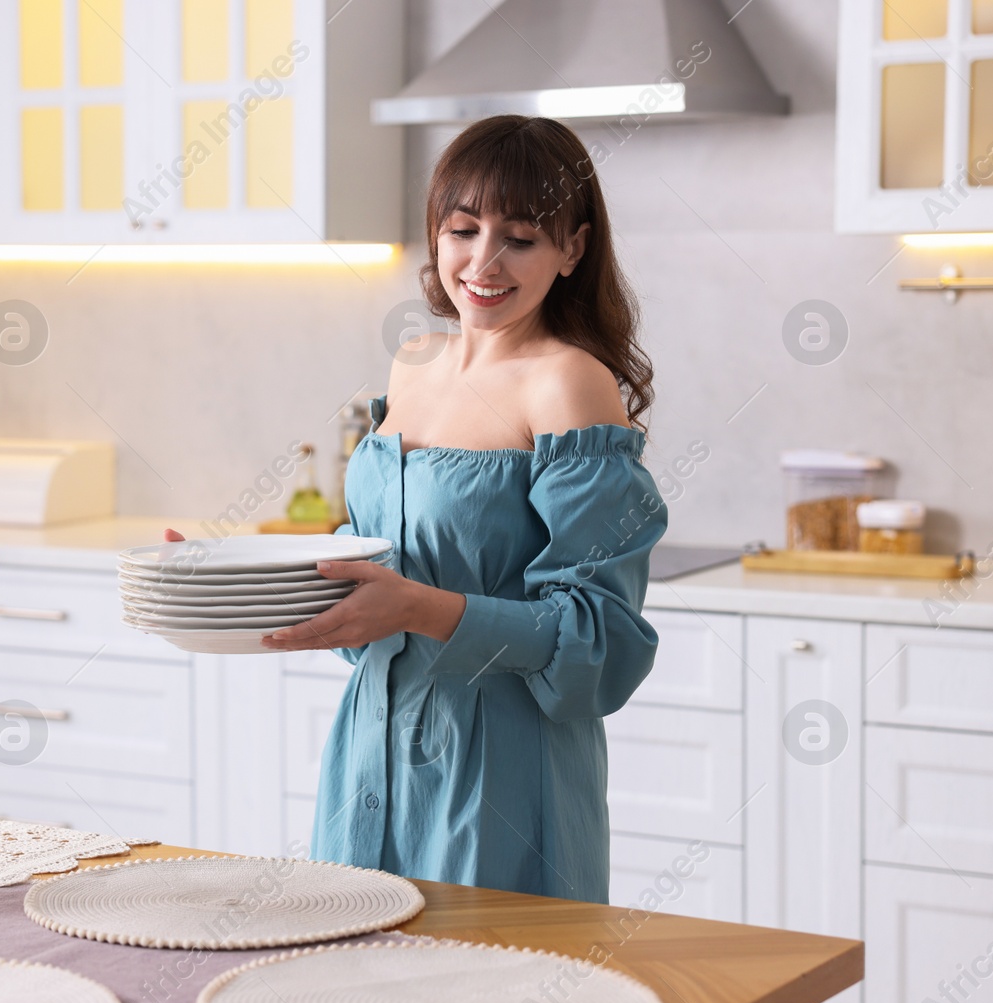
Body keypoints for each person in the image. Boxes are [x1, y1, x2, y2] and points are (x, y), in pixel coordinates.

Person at [171, 114, 666, 903]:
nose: (483, 261)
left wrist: (421, 608)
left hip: (500, 774)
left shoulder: (567, 384)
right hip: (369, 750)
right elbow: (385, 566)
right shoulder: (413, 364)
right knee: (346, 998)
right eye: (463, 228)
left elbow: (600, 642)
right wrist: (229, 575)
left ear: (572, 248)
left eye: (522, 237)